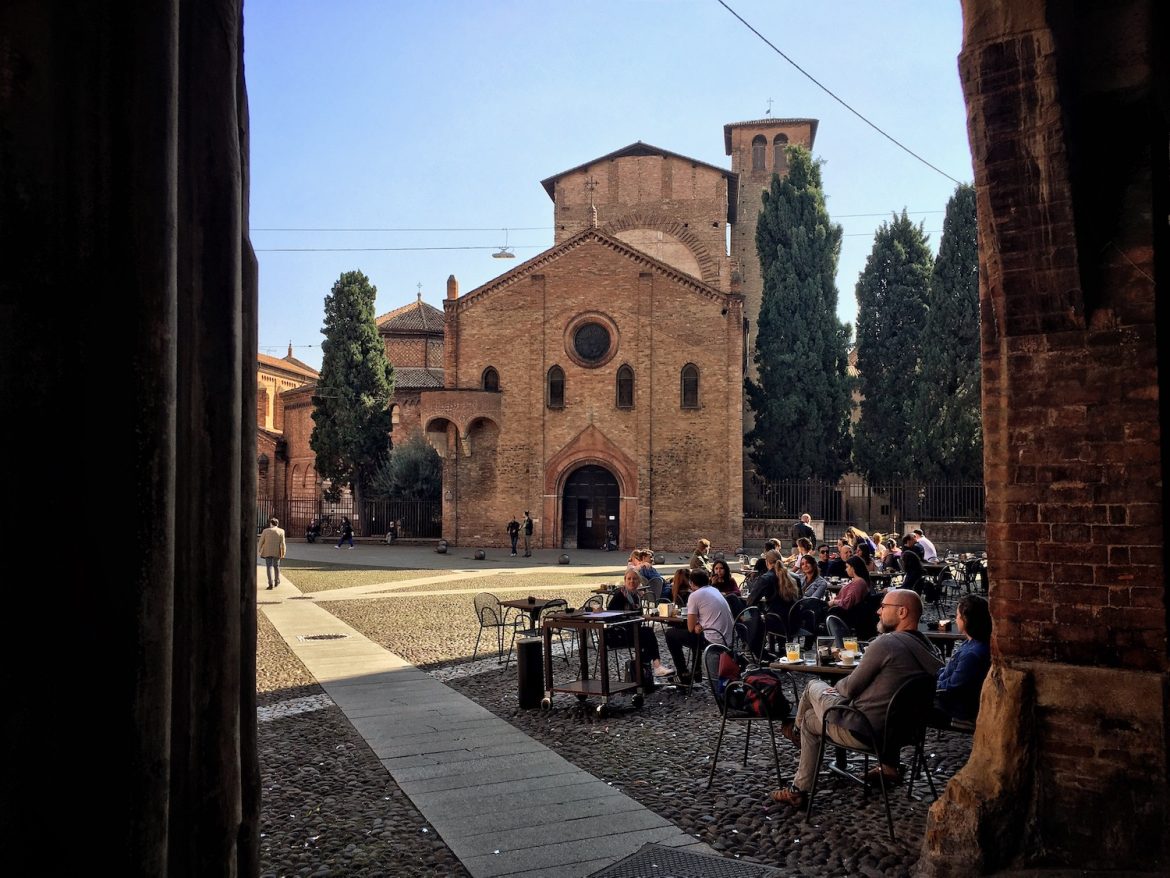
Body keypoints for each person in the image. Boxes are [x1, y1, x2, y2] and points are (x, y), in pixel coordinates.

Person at [770, 589, 943, 806]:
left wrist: (838, 688)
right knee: (810, 720)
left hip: (865, 729)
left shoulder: (886, 644)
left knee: (813, 685)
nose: (878, 611)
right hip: (904, 733)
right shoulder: (929, 648)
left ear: (902, 612)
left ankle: (795, 742)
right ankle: (800, 785)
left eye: (884, 607)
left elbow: (850, 687)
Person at [664, 569, 734, 684]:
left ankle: (683, 673)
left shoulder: (695, 595)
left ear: (691, 583)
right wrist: (698, 624)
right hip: (727, 638)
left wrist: (697, 625)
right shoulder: (714, 590)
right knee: (692, 634)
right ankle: (696, 671)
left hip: (712, 640)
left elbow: (691, 627)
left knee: (671, 634)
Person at [934, 595, 992, 723]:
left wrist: (928, 686)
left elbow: (953, 686)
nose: (955, 620)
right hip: (955, 699)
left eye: (957, 616)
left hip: (958, 708)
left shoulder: (972, 654)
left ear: (965, 619)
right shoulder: (972, 643)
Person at [606, 569, 675, 678]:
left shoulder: (636, 596)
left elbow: (638, 616)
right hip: (617, 633)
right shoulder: (620, 595)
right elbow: (609, 617)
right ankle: (654, 668)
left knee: (646, 636)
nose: (632, 581)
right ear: (625, 580)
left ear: (639, 581)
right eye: (629, 579)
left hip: (632, 631)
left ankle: (643, 673)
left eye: (635, 579)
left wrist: (642, 617)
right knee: (647, 633)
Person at [258, 517, 286, 589]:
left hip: (267, 551)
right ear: (277, 524)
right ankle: (277, 581)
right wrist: (283, 552)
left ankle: (270, 583)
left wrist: (259, 550)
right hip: (277, 551)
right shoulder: (281, 531)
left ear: (271, 524)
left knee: (269, 567)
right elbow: (283, 543)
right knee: (276, 566)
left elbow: (261, 541)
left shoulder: (265, 531)